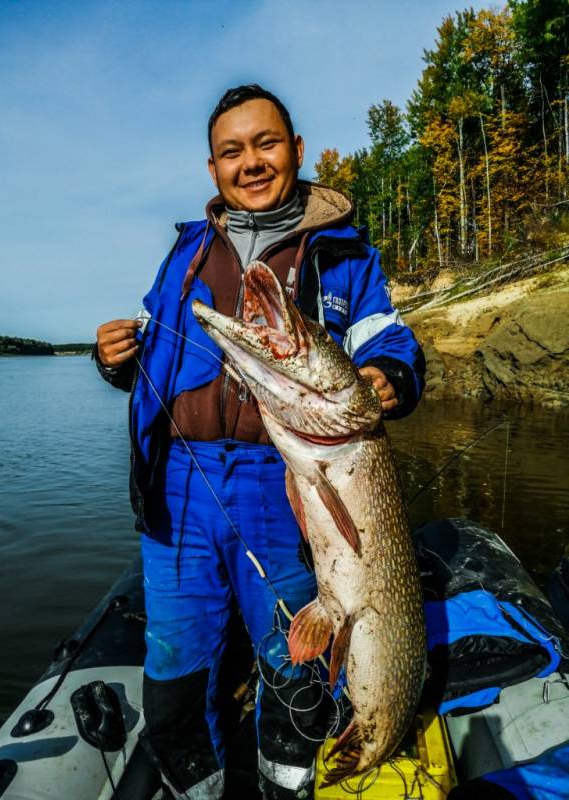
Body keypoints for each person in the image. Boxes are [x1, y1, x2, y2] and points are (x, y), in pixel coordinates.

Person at [95, 84, 426, 800]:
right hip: (179, 486)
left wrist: (393, 374)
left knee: (296, 666)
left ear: (297, 151)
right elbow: (159, 369)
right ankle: (201, 788)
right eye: (231, 151)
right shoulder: (183, 255)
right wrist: (116, 362)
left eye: (266, 143)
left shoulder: (343, 258)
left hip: (285, 477)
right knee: (176, 670)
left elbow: (384, 340)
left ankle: (291, 785)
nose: (251, 162)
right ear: (212, 168)